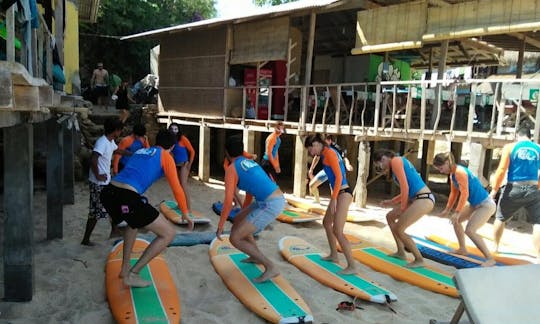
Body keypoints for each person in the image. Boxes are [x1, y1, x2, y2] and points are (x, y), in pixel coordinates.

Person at [100, 129, 194, 288]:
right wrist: (185, 213)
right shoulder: (166, 156)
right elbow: (177, 188)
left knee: (133, 223)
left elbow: (132, 172)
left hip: (109, 194)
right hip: (127, 198)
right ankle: (133, 274)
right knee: (168, 233)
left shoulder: (141, 151)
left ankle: (124, 269)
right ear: (171, 147)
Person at [217, 136, 285, 282]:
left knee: (234, 238)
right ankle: (255, 256)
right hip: (269, 199)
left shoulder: (231, 169)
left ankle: (271, 266)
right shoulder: (248, 161)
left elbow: (228, 202)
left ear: (227, 153)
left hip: (270, 203)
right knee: (238, 219)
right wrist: (244, 210)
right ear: (241, 151)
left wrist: (220, 226)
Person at [304, 134, 357, 274]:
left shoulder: (330, 153)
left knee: (338, 231)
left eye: (310, 149)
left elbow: (339, 176)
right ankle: (334, 255)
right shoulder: (324, 153)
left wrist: (333, 198)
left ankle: (352, 266)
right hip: (338, 193)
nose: (310, 152)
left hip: (343, 193)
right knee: (327, 223)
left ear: (316, 145)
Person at [433, 152, 496, 267]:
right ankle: (462, 249)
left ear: (447, 163)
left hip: (486, 205)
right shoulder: (452, 174)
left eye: (441, 168)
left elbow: (465, 194)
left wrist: (457, 212)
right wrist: (447, 210)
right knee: (456, 222)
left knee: (470, 230)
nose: (441, 171)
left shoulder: (459, 172)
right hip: (475, 204)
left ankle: (490, 258)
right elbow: (454, 193)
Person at [374, 149, 435, 268]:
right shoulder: (398, 161)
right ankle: (401, 252)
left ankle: (419, 259)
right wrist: (392, 202)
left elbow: (405, 187)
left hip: (423, 199)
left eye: (380, 165)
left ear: (383, 159)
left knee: (399, 229)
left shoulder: (396, 161)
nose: (382, 168)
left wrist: (402, 208)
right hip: (418, 198)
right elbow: (407, 190)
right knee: (390, 216)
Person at [490, 126, 540, 262]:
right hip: (533, 188)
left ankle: (495, 246)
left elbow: (501, 170)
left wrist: (494, 189)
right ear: (530, 136)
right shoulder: (538, 148)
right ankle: (538, 256)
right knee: (538, 223)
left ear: (517, 135)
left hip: (514, 188)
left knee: (500, 218)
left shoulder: (510, 147)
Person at [81, 118, 129, 246]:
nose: (120, 133)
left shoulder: (110, 141)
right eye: (120, 130)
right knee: (95, 212)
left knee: (113, 205)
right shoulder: (102, 142)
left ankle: (114, 230)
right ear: (115, 131)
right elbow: (93, 159)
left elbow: (116, 150)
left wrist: (131, 153)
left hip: (104, 181)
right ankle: (86, 239)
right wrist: (97, 175)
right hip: (98, 183)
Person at [308, 134, 353, 203]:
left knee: (335, 190)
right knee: (312, 185)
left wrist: (348, 165)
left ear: (329, 141)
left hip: (336, 171)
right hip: (327, 171)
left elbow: (344, 158)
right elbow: (317, 157)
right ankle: (317, 201)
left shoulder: (336, 148)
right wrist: (311, 169)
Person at [168, 123, 195, 211]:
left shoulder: (183, 139)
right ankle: (180, 205)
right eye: (172, 129)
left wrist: (190, 164)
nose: (174, 131)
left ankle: (189, 208)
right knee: (177, 186)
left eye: (176, 129)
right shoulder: (171, 140)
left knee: (184, 185)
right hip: (176, 166)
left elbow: (192, 151)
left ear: (178, 130)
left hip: (184, 165)